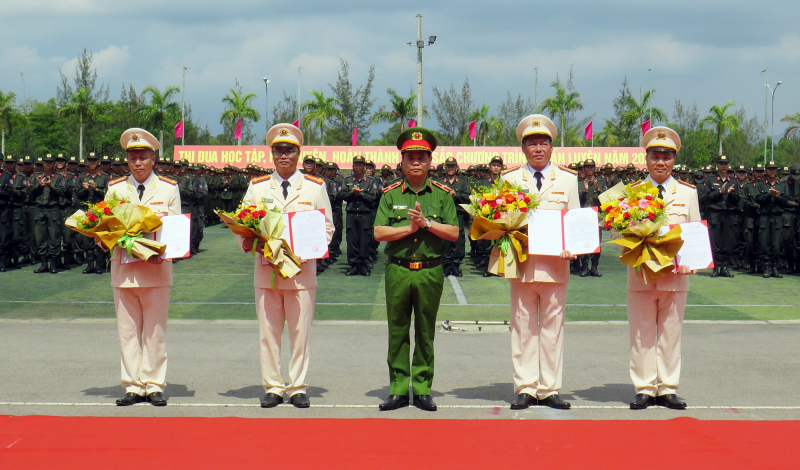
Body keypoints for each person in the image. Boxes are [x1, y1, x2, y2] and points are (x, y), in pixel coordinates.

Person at [237, 123, 334, 409]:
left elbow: (327, 227)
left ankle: (298, 387)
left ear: (298, 153)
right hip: (267, 271)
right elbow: (243, 227)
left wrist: (308, 251)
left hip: (301, 273)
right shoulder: (256, 188)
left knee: (300, 333)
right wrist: (259, 248)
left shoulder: (315, 187)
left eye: (289, 150)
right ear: (272, 154)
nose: (283, 155)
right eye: (278, 150)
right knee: (268, 334)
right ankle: (273, 386)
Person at [373, 127, 459, 412]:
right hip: (398, 270)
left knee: (425, 331)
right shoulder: (390, 194)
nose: (416, 162)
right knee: (397, 330)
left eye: (421, 157)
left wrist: (427, 224)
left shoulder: (443, 195)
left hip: (429, 271)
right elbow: (379, 232)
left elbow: (454, 232)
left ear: (430, 161)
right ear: (402, 162)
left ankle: (422, 389)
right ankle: (398, 389)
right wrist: (408, 228)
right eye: (410, 157)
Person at [500, 115, 579, 410]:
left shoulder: (568, 180)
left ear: (551, 148)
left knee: (552, 328)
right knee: (522, 327)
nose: (538, 148)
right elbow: (501, 219)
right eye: (532, 143)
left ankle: (549, 388)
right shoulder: (509, 180)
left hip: (556, 266)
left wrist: (573, 246)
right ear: (523, 148)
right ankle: (525, 387)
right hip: (521, 263)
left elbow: (574, 221)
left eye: (543, 143)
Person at [104, 128, 181, 407]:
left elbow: (174, 230)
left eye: (143, 157)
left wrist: (167, 252)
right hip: (124, 271)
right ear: (127, 161)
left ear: (153, 159)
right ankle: (134, 385)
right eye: (133, 157)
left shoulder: (168, 188)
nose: (138, 162)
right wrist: (103, 240)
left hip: (156, 271)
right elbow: (107, 227)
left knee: (155, 331)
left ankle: (154, 383)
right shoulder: (114, 189)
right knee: (127, 331)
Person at [626, 127, 700, 410]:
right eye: (655, 156)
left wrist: (693, 261)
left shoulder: (687, 193)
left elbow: (693, 231)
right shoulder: (632, 193)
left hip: (675, 275)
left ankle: (667, 387)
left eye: (666, 157)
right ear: (646, 159)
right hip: (641, 273)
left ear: (674, 161)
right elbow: (620, 232)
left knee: (671, 332)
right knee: (642, 332)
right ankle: (644, 387)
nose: (660, 162)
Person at [755, 161, 797, 278]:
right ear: (766, 171)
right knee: (764, 242)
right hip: (765, 216)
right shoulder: (761, 184)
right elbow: (758, 199)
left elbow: (786, 199)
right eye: (769, 169)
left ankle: (774, 267)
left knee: (777, 243)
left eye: (774, 169)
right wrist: (769, 195)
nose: (772, 171)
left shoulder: (782, 185)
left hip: (778, 216)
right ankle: (766, 267)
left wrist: (777, 196)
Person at [702, 155, 740, 278]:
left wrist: (731, 194)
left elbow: (738, 200)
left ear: (728, 166)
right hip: (715, 213)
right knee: (715, 242)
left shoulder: (733, 181)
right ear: (717, 166)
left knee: (728, 242)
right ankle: (715, 267)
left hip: (728, 213)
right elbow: (706, 198)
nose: (723, 166)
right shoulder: (710, 180)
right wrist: (720, 192)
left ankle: (724, 267)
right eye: (721, 164)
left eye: (725, 164)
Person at [340, 155, 378, 276]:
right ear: (353, 167)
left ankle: (364, 265)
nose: (358, 167)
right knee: (352, 241)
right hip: (351, 214)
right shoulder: (347, 180)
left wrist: (361, 194)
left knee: (364, 240)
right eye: (356, 165)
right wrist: (352, 192)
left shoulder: (371, 181)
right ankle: (353, 266)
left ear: (364, 167)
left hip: (365, 214)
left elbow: (373, 197)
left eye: (360, 165)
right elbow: (342, 195)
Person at [438, 157, 471, 277]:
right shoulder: (440, 182)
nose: (450, 168)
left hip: (458, 214)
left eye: (452, 166)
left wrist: (456, 195)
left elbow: (468, 197)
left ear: (456, 168)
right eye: (448, 166)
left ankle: (456, 265)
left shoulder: (462, 182)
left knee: (458, 239)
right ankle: (446, 264)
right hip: (444, 215)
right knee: (445, 238)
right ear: (445, 168)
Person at [577, 158, 605, 277]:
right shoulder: (579, 183)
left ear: (594, 169)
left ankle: (594, 268)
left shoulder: (600, 182)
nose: (589, 170)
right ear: (584, 169)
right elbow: (577, 201)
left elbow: (605, 200)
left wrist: (598, 190)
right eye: (587, 167)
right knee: (584, 242)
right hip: (584, 215)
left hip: (596, 215)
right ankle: (584, 268)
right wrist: (584, 191)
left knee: (596, 243)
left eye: (591, 167)